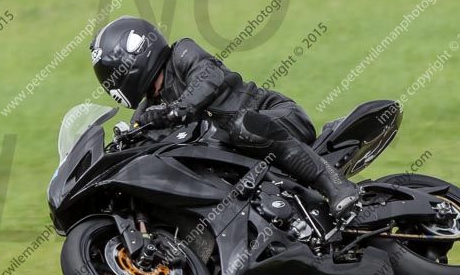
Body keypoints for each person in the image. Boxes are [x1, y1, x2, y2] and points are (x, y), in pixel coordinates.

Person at [89, 16, 360, 218]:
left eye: (111, 71)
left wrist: (178, 110)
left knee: (243, 126)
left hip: (275, 116)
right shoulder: (149, 110)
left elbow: (208, 77)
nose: (110, 81)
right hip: (240, 156)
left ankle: (336, 185)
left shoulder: (182, 53)